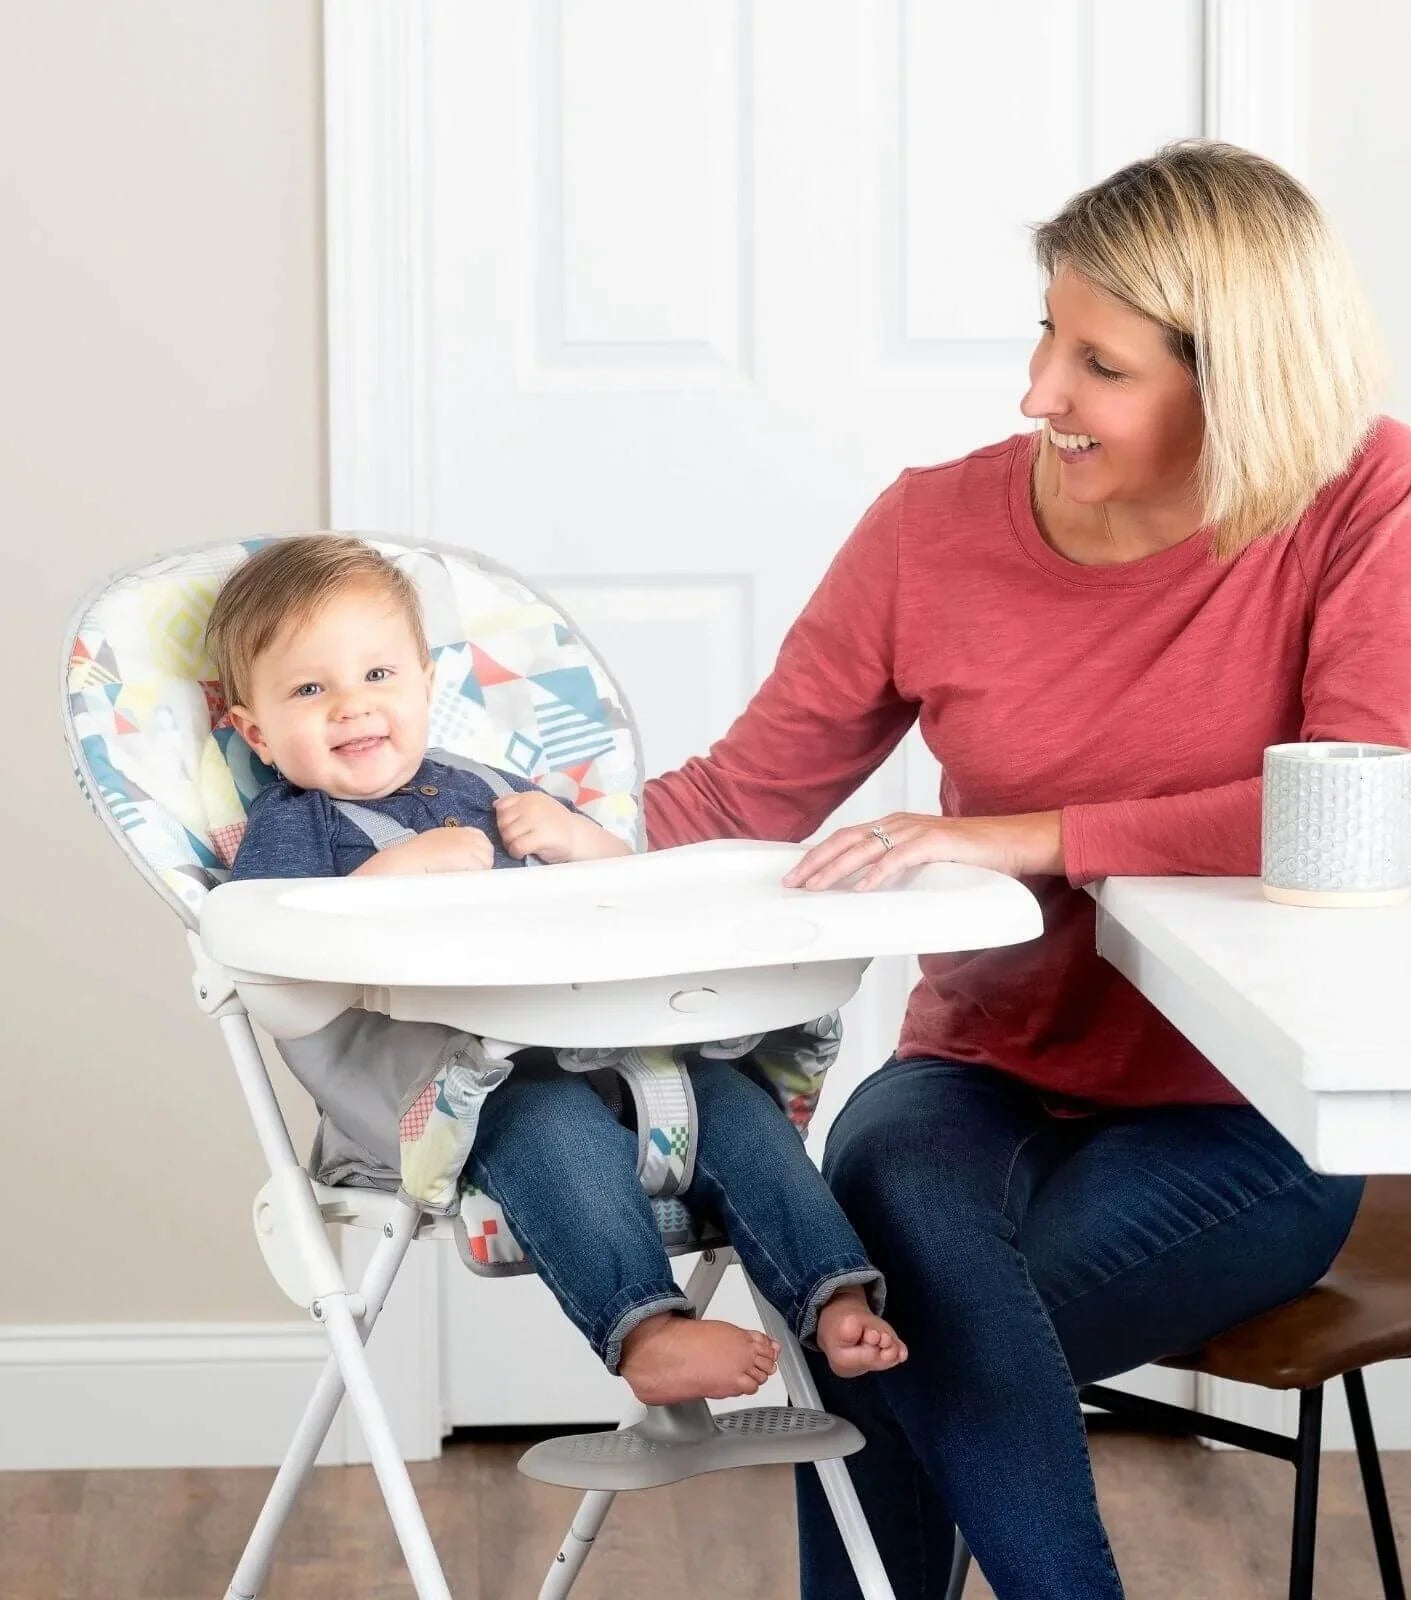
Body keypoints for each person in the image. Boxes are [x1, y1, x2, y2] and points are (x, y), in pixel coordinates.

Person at [641, 140, 1411, 1597]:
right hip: (976, 1069)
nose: (1038, 395)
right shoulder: (931, 527)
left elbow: (1358, 808)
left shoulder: (1360, 493)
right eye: (1045, 336)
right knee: (884, 1289)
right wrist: (479, 831)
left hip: (1244, 1113)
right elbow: (742, 794)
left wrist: (1027, 839)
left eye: (1102, 364)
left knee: (893, 1342)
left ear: (1240, 377)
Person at [209, 533, 907, 1407]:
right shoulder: (295, 823)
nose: (352, 706)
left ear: (427, 683)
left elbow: (627, 899)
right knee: (550, 1129)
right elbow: (267, 934)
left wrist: (583, 844)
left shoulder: (484, 783)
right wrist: (395, 874)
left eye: (379, 676)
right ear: (255, 732)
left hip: (608, 1047)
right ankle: (648, 1331)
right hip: (454, 1091)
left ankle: (833, 1293)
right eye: (311, 689)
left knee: (740, 1107)